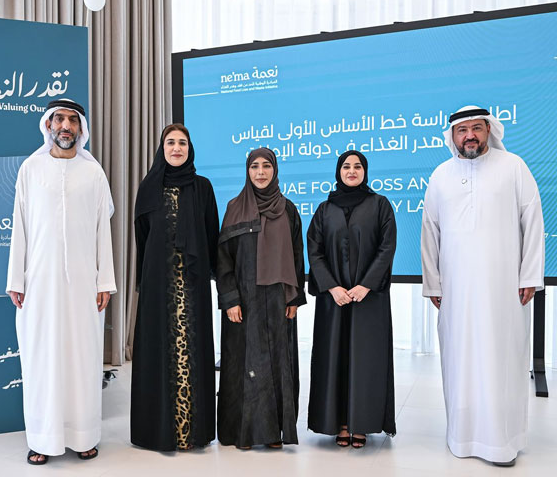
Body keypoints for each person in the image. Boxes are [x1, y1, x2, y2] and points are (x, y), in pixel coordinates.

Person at [421, 105, 544, 466]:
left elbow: (533, 221)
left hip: (504, 287)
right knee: (459, 359)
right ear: (452, 136)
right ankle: (461, 436)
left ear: (489, 130)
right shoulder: (441, 175)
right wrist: (433, 283)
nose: (470, 135)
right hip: (456, 290)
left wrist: (530, 275)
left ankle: (503, 442)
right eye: (462, 130)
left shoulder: (514, 167)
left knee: (502, 357)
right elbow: (430, 231)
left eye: (476, 128)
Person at [6, 98, 116, 465]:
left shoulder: (93, 173)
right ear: (48, 125)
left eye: (72, 120)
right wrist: (16, 279)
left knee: (83, 357)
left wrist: (105, 281)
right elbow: (19, 226)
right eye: (59, 119)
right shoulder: (31, 169)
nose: (65, 126)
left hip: (84, 283)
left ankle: (84, 435)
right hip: (39, 283)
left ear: (81, 128)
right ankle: (42, 438)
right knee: (42, 358)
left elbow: (103, 231)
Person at [131, 123, 219, 451]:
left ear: (190, 148)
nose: (177, 148)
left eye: (182, 142)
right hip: (158, 286)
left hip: (193, 285)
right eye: (171, 142)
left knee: (193, 351)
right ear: (162, 148)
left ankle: (193, 432)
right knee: (160, 352)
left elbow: (212, 233)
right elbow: (142, 239)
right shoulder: (148, 188)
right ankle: (160, 431)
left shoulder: (202, 187)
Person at [216, 147, 306, 449]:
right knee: (244, 366)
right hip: (244, 301)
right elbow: (224, 259)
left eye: (266, 166)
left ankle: (273, 433)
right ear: (247, 171)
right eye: (254, 166)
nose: (260, 172)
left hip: (279, 300)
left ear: (275, 170)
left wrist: (294, 298)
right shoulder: (234, 207)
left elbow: (297, 257)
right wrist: (230, 299)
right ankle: (243, 433)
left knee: (277, 366)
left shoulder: (288, 209)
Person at [306, 150, 397, 449]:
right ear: (338, 172)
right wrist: (332, 287)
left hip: (368, 300)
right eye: (346, 166)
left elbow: (387, 247)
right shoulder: (324, 209)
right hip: (334, 300)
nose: (352, 171)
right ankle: (339, 423)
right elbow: (314, 251)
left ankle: (363, 423)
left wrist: (366, 285)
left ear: (365, 171)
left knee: (366, 360)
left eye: (358, 166)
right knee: (334, 358)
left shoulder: (380, 205)